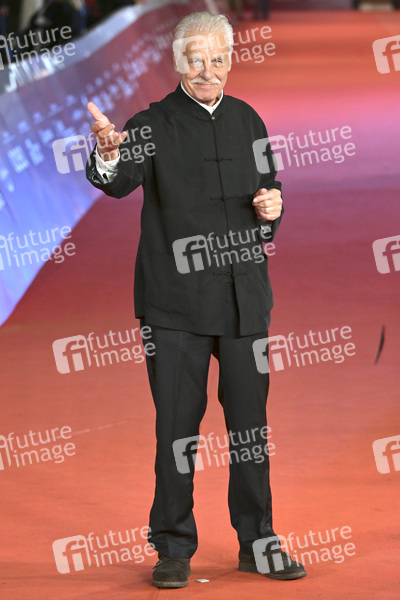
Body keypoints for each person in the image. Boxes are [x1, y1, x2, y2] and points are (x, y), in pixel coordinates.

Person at [86, 11, 306, 589]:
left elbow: (270, 193)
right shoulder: (151, 123)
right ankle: (173, 546)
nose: (208, 70)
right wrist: (107, 152)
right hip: (175, 305)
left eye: (218, 59)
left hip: (243, 300)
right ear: (177, 61)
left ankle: (258, 542)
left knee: (251, 431)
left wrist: (273, 209)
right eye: (196, 59)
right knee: (177, 433)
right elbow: (118, 180)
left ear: (230, 60)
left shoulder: (249, 120)